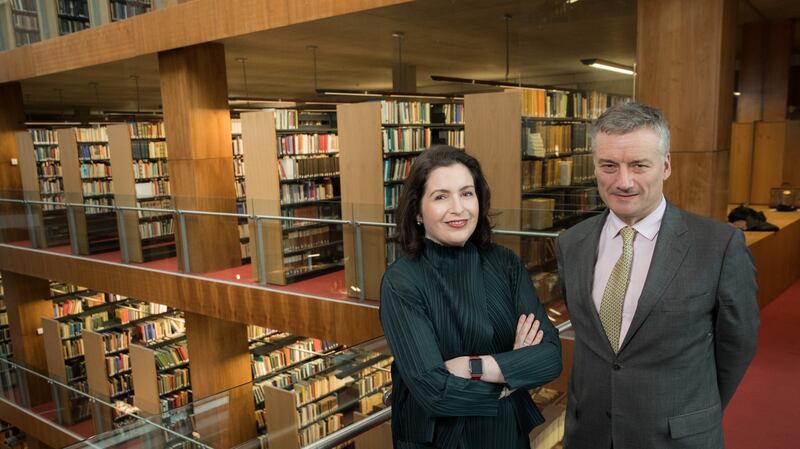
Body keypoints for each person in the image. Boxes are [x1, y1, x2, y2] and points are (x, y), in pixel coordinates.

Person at [556, 102, 760, 449]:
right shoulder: (571, 242)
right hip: (588, 434)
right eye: (609, 166)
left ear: (666, 166)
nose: (623, 182)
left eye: (638, 165)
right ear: (594, 167)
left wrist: (696, 414)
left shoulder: (719, 246)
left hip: (676, 438)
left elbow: (736, 347)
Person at [379, 145, 562, 449]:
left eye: (467, 193)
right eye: (441, 197)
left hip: (504, 435)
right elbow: (435, 392)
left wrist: (470, 366)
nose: (459, 208)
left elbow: (550, 359)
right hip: (437, 441)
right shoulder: (402, 281)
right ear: (417, 212)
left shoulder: (504, 263)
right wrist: (513, 370)